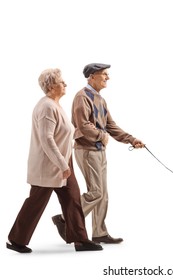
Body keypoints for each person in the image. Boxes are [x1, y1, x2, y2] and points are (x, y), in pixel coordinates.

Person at [6, 68, 103, 253]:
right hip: (49, 165)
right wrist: (62, 164)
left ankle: (81, 240)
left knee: (73, 199)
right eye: (61, 82)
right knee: (36, 202)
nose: (65, 84)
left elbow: (63, 134)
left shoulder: (55, 105)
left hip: (64, 163)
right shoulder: (46, 107)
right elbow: (47, 139)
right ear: (51, 86)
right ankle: (16, 240)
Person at [52, 63, 145, 245]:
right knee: (96, 192)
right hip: (86, 151)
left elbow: (110, 125)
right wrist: (101, 136)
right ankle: (65, 219)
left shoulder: (100, 99)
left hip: (99, 150)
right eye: (104, 74)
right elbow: (83, 125)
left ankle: (99, 232)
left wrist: (131, 139)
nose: (107, 78)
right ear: (92, 76)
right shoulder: (82, 97)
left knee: (103, 194)